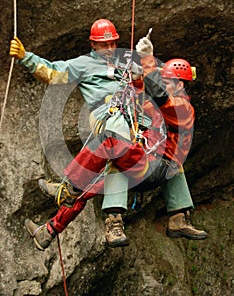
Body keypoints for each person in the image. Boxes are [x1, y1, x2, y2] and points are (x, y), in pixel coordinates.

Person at [10, 28, 207, 250]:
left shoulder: (182, 108)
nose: (110, 48)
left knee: (110, 145)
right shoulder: (152, 105)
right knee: (94, 183)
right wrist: (137, 80)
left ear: (179, 85)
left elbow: (162, 99)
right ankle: (49, 231)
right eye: (104, 44)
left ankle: (99, 212)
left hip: (152, 166)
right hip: (149, 163)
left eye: (113, 43)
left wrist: (147, 60)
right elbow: (145, 98)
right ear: (92, 45)